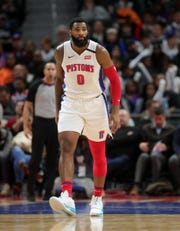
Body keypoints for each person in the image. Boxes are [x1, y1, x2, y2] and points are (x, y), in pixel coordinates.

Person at [49, 17, 121, 216]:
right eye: (77, 30)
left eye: (84, 30)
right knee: (65, 146)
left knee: (98, 152)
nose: (81, 33)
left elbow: (115, 81)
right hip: (70, 103)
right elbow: (59, 81)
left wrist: (115, 111)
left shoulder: (99, 51)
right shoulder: (61, 51)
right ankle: (66, 195)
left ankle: (97, 197)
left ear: (87, 32)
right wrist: (57, 109)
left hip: (95, 104)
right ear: (70, 32)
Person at [23, 62, 59, 201]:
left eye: (53, 69)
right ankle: (31, 191)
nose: (50, 71)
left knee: (52, 159)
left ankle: (48, 192)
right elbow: (27, 107)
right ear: (44, 71)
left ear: (56, 71)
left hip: (54, 124)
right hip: (39, 123)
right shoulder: (36, 85)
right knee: (35, 159)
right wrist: (26, 126)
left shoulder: (61, 86)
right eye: (48, 69)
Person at [130, 106, 175, 196]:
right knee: (143, 156)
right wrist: (141, 144)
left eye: (160, 119)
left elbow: (173, 146)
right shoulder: (146, 128)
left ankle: (154, 184)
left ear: (164, 117)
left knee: (155, 155)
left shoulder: (171, 129)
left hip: (164, 156)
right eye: (156, 118)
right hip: (148, 153)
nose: (158, 121)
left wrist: (167, 148)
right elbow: (141, 142)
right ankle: (136, 185)